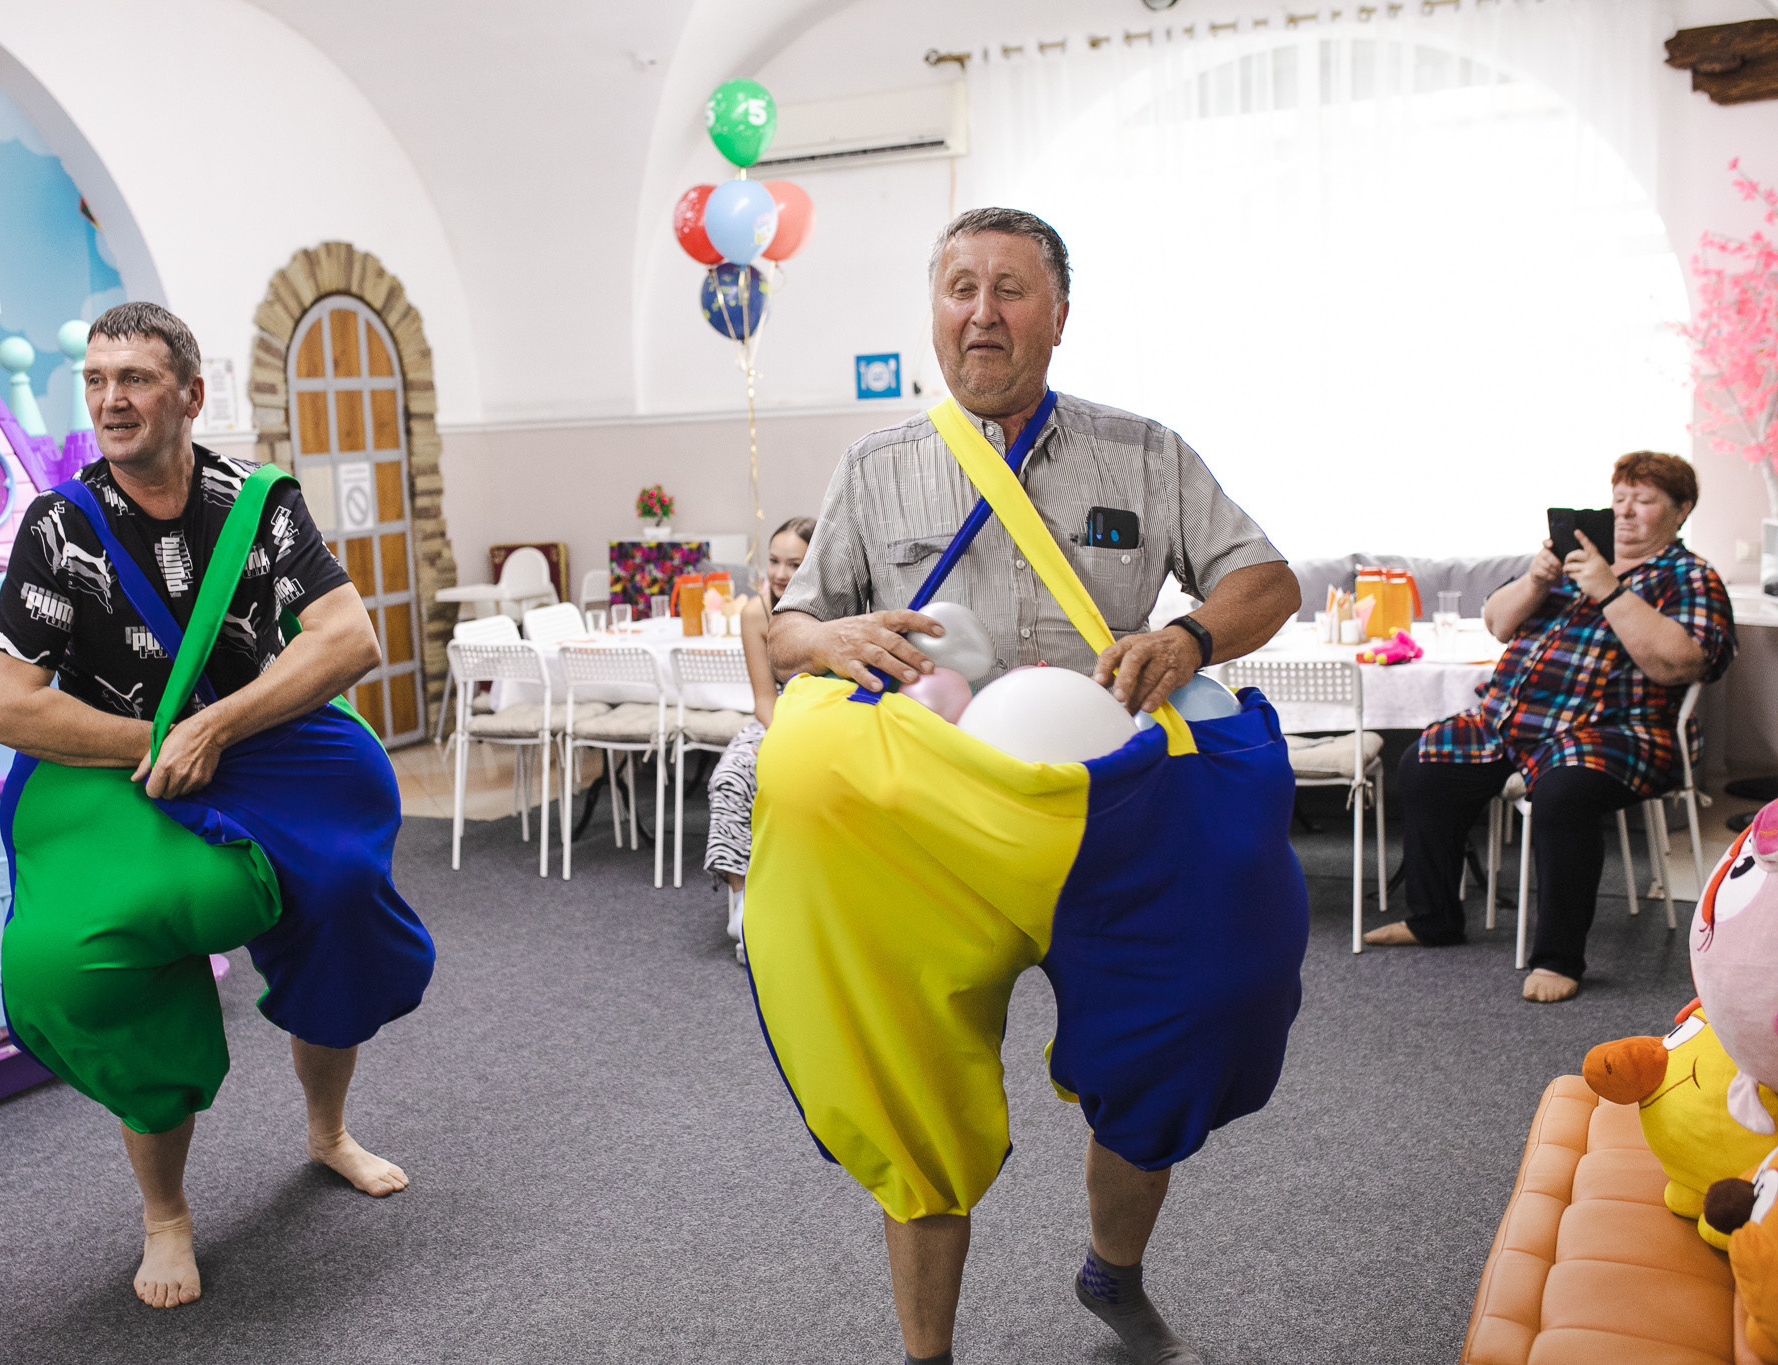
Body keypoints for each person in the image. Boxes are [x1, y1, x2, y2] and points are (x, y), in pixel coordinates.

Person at [762, 208, 1303, 1365]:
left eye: (1009, 289)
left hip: (1110, 807)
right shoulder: (876, 463)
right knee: (902, 1081)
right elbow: (790, 624)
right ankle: (927, 1356)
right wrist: (826, 633)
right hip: (929, 817)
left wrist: (1191, 637)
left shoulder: (1143, 450)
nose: (981, 312)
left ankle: (1113, 1277)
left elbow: (1266, 579)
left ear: (1058, 315)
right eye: (959, 287)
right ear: (933, 312)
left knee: (1180, 1029)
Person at [0, 302, 435, 1309]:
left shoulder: (258, 502)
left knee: (348, 889)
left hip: (249, 741)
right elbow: (1, 707)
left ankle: (326, 1133)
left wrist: (215, 727)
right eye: (95, 381)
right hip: (112, 769)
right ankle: (166, 1216)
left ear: (188, 394)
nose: (110, 400)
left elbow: (347, 639)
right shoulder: (58, 529)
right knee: (84, 958)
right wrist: (157, 740)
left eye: (134, 379)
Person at [1363, 452, 1735, 1003]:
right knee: (1426, 762)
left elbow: (1678, 663)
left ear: (1681, 511)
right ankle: (1433, 919)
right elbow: (1496, 623)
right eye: (1620, 499)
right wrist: (1537, 580)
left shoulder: (1690, 577)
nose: (1627, 511)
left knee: (1565, 794)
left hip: (1619, 732)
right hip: (1509, 723)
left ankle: (1559, 958)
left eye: (1646, 500)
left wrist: (1610, 590)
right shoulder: (1571, 560)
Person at [703, 517, 814, 954]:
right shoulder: (756, 611)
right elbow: (764, 698)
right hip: (777, 716)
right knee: (732, 775)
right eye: (773, 561)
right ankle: (742, 905)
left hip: (825, 713)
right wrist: (783, 735)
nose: (780, 573)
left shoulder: (833, 604)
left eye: (793, 563)